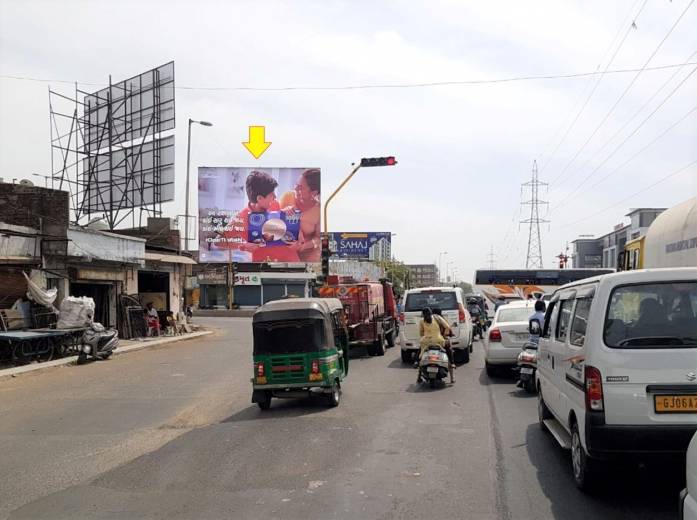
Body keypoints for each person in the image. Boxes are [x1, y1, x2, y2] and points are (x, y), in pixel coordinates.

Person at [282, 169, 321, 262]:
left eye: (301, 187)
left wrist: (303, 246)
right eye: (296, 184)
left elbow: (319, 238)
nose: (295, 189)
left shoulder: (319, 210)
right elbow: (273, 221)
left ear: (314, 192)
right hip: (286, 250)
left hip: (308, 255)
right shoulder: (287, 196)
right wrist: (282, 212)